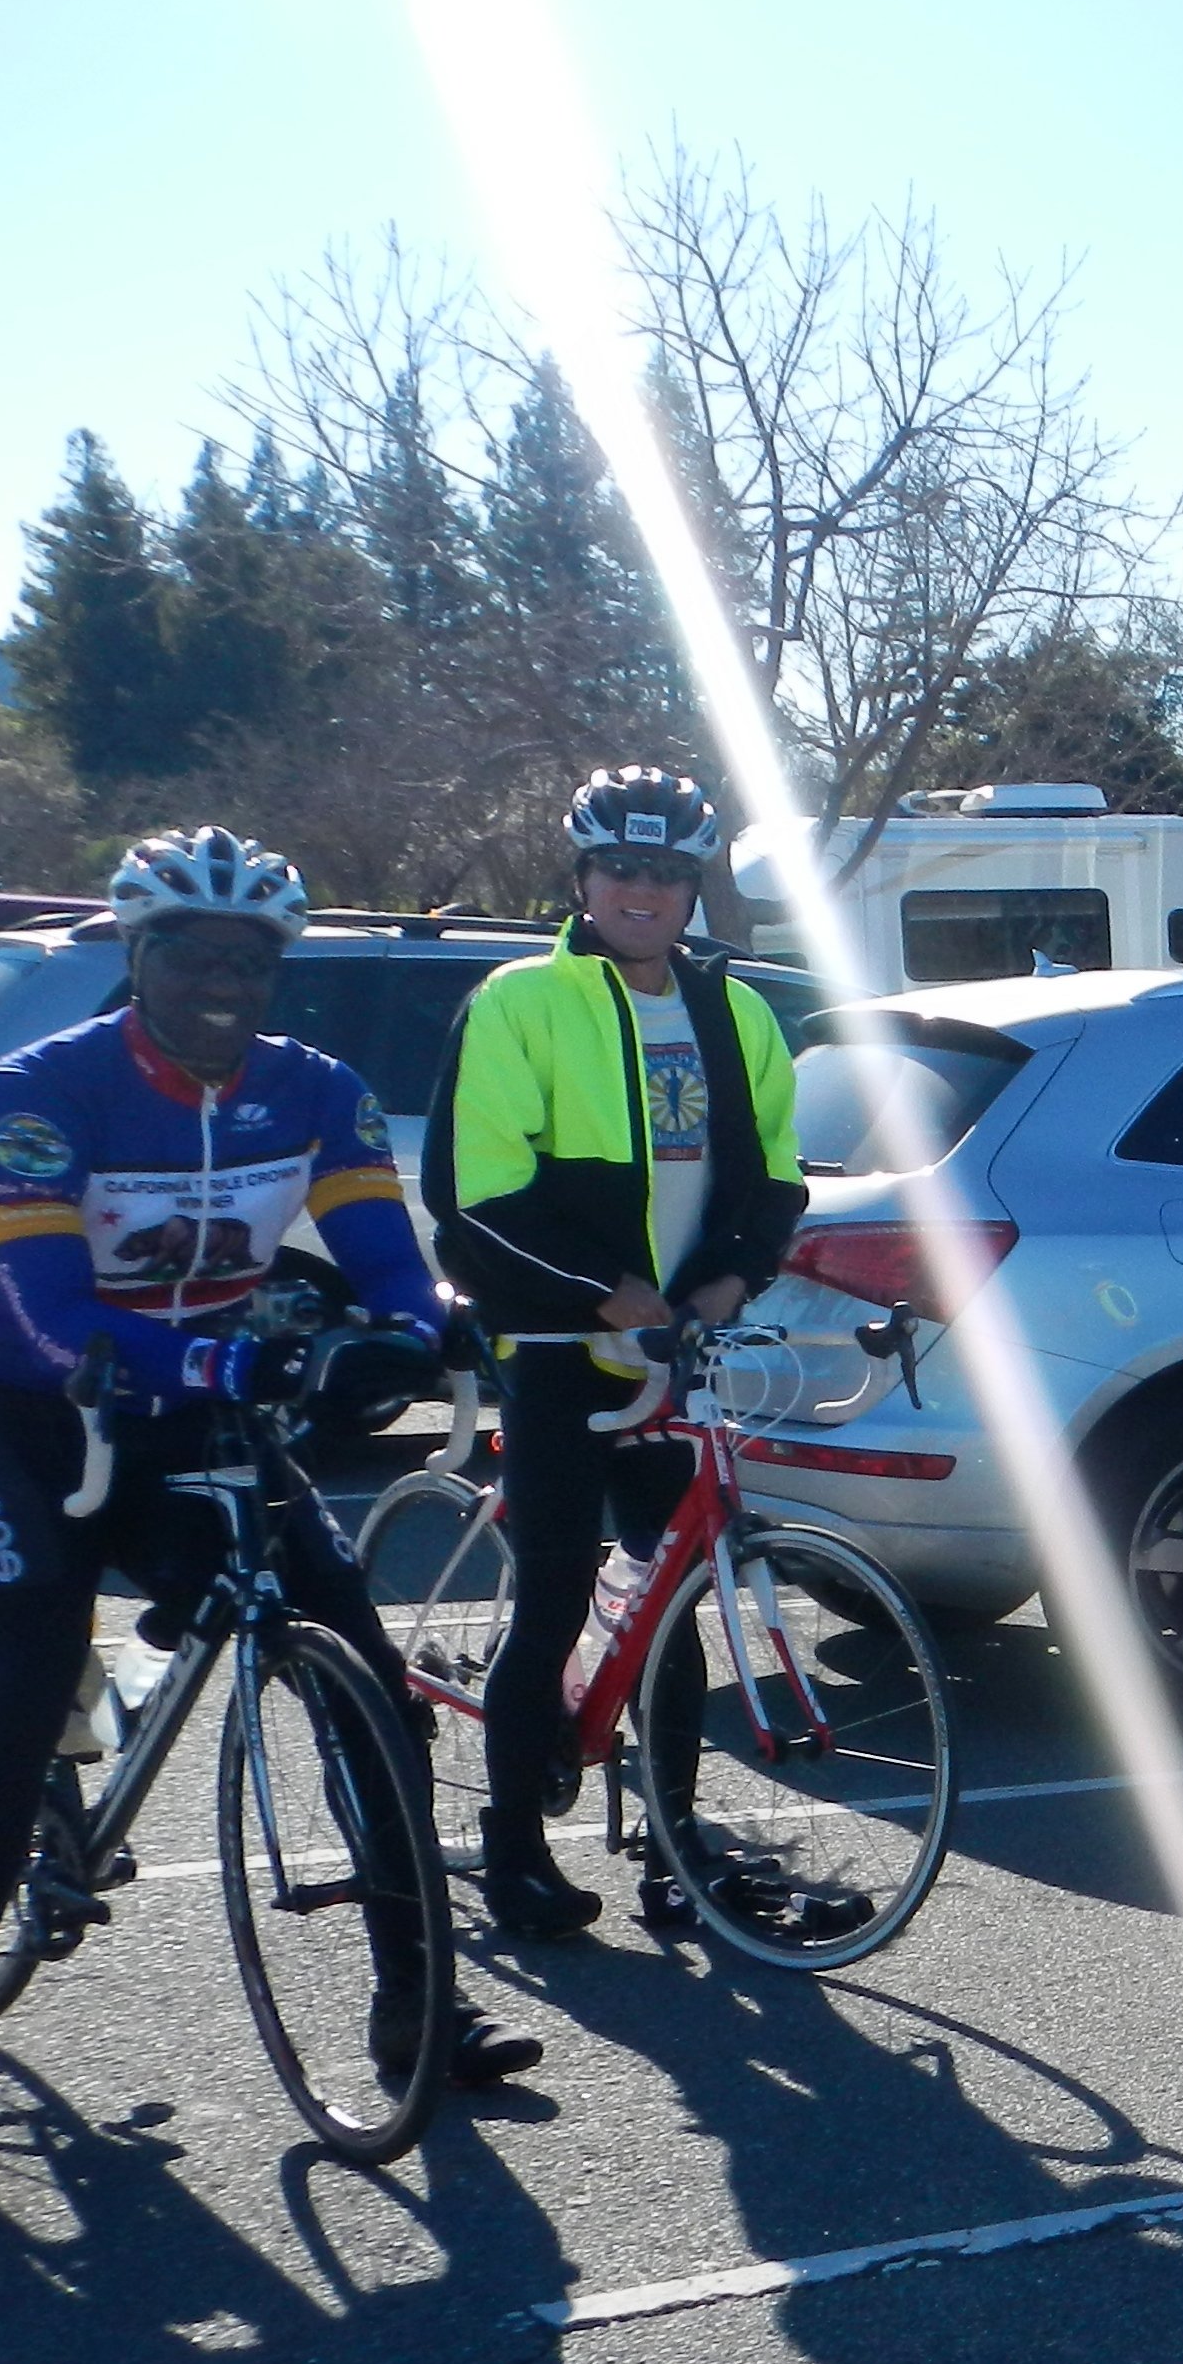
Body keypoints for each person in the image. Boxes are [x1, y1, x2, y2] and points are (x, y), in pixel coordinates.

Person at [0, 831, 530, 2205]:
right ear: (139, 956)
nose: (224, 979)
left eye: (251, 958)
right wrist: (240, 1357)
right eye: (192, 953)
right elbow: (54, 1317)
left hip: (193, 1412)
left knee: (369, 1679)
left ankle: (419, 2005)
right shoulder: (37, 1092)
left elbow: (386, 1267)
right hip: (23, 1410)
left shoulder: (315, 1094)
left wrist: (439, 1338)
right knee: (12, 1698)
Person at [424, 767, 813, 1942]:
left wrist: (735, 1275)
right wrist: (604, 1297)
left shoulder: (733, 1013)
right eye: (621, 870)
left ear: (694, 888)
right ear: (583, 879)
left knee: (670, 1599)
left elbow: (777, 1177)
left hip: (672, 1348)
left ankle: (676, 1849)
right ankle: (511, 1856)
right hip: (555, 1344)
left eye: (667, 874)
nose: (643, 893)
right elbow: (475, 1197)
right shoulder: (520, 1002)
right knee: (549, 1596)